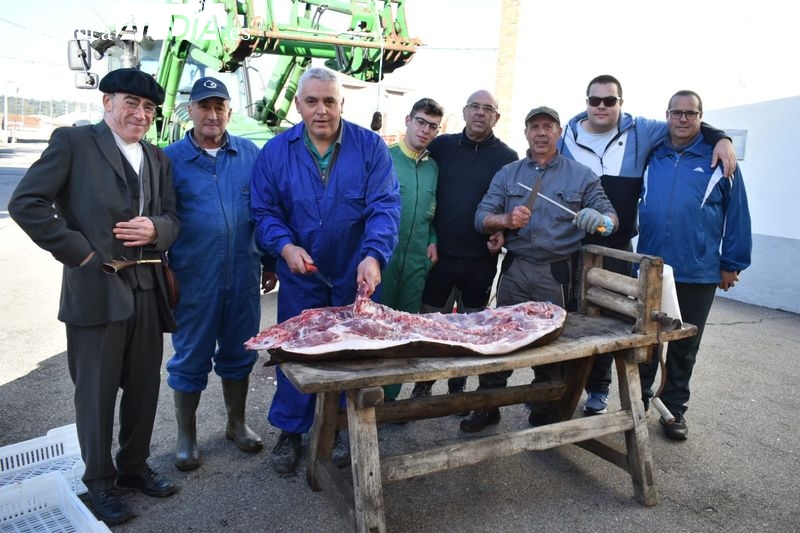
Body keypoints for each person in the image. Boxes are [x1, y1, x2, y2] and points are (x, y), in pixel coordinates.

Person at [8, 68, 180, 525]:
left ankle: (133, 466)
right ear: (106, 102)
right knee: (97, 392)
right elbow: (26, 203)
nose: (139, 114)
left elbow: (172, 218)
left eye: (147, 108)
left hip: (147, 286)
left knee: (144, 387)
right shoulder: (73, 143)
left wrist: (156, 229)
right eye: (130, 103)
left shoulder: (158, 159)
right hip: (95, 287)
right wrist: (80, 253)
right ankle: (99, 483)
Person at [251, 67, 401, 475]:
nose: (321, 110)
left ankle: (335, 428)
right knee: (297, 354)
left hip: (355, 273)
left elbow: (384, 207)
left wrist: (373, 255)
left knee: (349, 356)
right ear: (298, 104)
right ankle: (291, 431)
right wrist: (284, 246)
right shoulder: (275, 153)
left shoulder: (370, 148)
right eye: (312, 101)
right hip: (302, 273)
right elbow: (264, 211)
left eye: (329, 101)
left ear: (341, 104)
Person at [559, 74, 738, 416]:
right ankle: (565, 393)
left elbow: (686, 122)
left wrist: (722, 137)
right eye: (594, 100)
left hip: (619, 249)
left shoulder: (643, 132)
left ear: (621, 104)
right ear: (586, 103)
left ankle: (603, 391)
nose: (601, 106)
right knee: (569, 321)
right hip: (573, 247)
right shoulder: (567, 134)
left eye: (609, 100)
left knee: (610, 322)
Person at [463, 106, 618, 433]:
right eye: (535, 127)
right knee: (498, 338)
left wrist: (601, 221)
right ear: (526, 133)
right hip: (515, 270)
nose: (541, 133)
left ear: (559, 132)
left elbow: (610, 218)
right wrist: (505, 220)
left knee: (550, 344)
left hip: (556, 274)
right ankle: (487, 406)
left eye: (548, 126)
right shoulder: (508, 174)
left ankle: (545, 406)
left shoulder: (582, 176)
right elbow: (481, 216)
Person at [637, 90, 751, 440]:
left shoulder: (721, 160)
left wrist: (732, 263)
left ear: (701, 117)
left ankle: (673, 412)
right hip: (652, 269)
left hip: (697, 271)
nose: (683, 119)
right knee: (645, 344)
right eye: (677, 112)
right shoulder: (651, 154)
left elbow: (738, 215)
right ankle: (637, 405)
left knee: (684, 348)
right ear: (667, 115)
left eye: (691, 113)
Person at [163, 77, 264, 472]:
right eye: (204, 106)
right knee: (190, 357)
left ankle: (235, 424)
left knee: (240, 353)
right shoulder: (168, 159)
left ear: (229, 112)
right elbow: (160, 218)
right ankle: (186, 437)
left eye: (219, 106)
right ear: (190, 110)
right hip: (195, 277)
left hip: (243, 275)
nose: (212, 114)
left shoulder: (250, 155)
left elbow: (266, 210)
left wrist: (269, 260)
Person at [411, 89, 518, 399]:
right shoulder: (442, 146)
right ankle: (423, 383)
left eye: (487, 109)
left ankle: (458, 384)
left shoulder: (507, 158)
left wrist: (504, 235)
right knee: (432, 327)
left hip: (480, 261)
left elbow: (510, 206)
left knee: (471, 329)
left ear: (496, 117)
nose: (480, 113)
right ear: (464, 111)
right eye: (474, 106)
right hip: (440, 257)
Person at [379, 97, 444, 402]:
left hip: (417, 261)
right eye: (420, 122)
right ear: (407, 120)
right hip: (384, 260)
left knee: (404, 331)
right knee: (377, 327)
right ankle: (366, 396)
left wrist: (432, 238)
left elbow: (432, 212)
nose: (425, 130)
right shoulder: (385, 159)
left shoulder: (433, 168)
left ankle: (389, 399)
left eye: (432, 126)